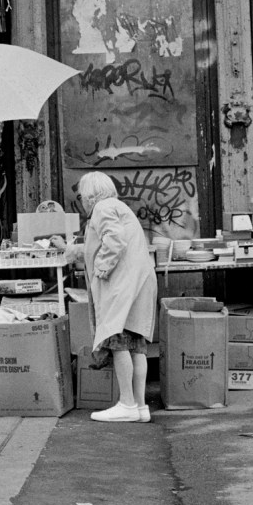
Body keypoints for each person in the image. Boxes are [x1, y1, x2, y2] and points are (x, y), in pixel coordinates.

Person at [51, 171, 156, 423]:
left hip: (122, 285)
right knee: (136, 345)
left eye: (82, 196)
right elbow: (97, 245)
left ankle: (127, 403)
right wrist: (68, 249)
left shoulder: (102, 208)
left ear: (90, 195)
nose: (82, 201)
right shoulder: (118, 207)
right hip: (138, 283)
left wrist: (101, 269)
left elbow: (114, 241)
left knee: (118, 341)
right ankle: (140, 407)